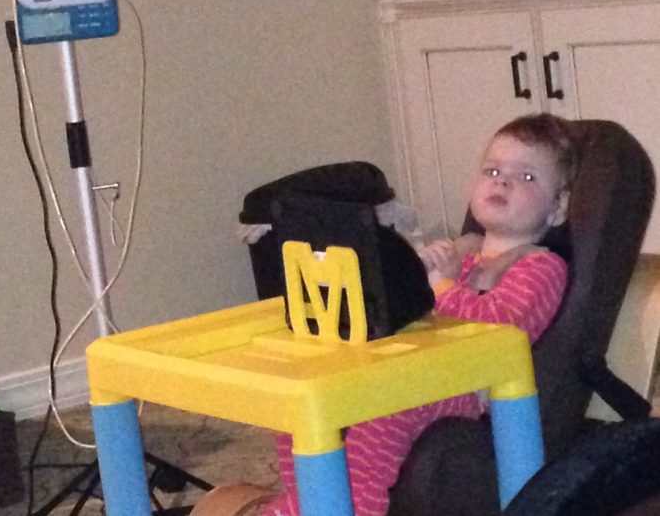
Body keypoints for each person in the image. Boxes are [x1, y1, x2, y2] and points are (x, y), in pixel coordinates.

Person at [192, 113, 576, 516]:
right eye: (492, 170)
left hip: (460, 381)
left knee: (373, 425)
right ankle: (307, 504)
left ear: (557, 208)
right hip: (410, 365)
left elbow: (502, 328)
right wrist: (406, 276)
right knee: (304, 410)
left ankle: (355, 507)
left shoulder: (540, 266)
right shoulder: (462, 251)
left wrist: (438, 286)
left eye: (527, 177)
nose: (502, 181)